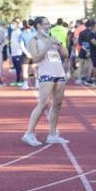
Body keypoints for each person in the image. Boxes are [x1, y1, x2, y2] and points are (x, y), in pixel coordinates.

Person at [21, 17, 70, 147]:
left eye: (49, 24)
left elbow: (65, 54)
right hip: (46, 74)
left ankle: (53, 134)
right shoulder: (34, 40)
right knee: (43, 104)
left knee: (57, 105)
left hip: (59, 73)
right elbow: (35, 58)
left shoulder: (52, 37)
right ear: (38, 26)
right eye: (45, 24)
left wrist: (59, 43)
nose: (48, 26)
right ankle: (29, 133)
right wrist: (47, 45)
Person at [19, 19, 37, 90]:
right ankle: (37, 83)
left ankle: (25, 84)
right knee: (35, 69)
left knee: (25, 70)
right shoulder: (34, 33)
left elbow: (21, 45)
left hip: (25, 54)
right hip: (34, 53)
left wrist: (27, 53)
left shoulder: (22, 34)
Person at [9, 19, 24, 86]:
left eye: (14, 24)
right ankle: (17, 80)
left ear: (17, 25)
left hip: (19, 52)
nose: (13, 25)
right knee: (16, 67)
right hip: (13, 52)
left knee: (19, 68)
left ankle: (21, 80)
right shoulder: (12, 32)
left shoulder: (19, 32)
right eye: (12, 23)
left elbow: (21, 42)